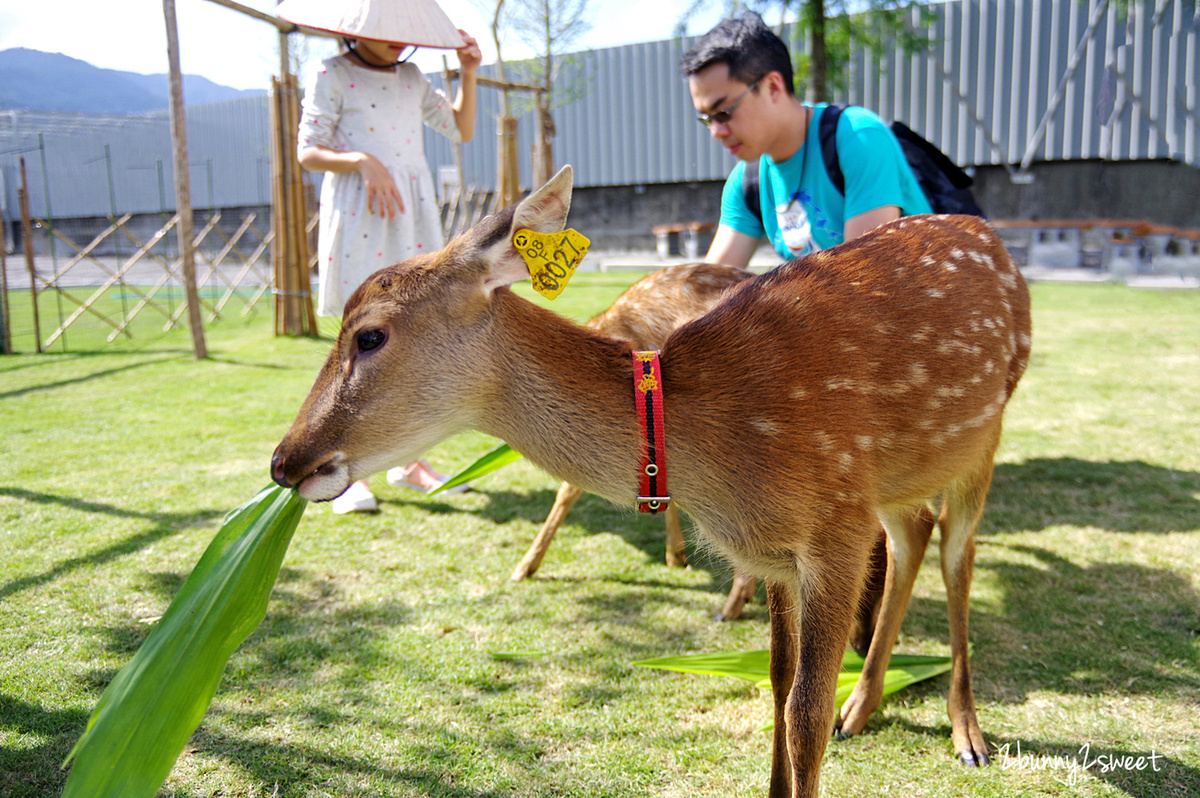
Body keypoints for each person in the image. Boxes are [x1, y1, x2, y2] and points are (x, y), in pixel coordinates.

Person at [282, 0, 482, 513]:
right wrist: (361, 160)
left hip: (410, 216)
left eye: (402, 26)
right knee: (356, 348)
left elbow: (459, 128)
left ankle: (409, 461)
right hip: (362, 213)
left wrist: (468, 72)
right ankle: (344, 471)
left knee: (414, 341)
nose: (395, 36)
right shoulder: (331, 73)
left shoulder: (412, 77)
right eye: (382, 26)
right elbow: (308, 150)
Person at [680, 12, 932, 269]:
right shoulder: (746, 184)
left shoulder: (859, 138)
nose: (716, 131)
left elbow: (863, 284)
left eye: (723, 112)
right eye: (707, 119)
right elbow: (711, 291)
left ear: (773, 87)